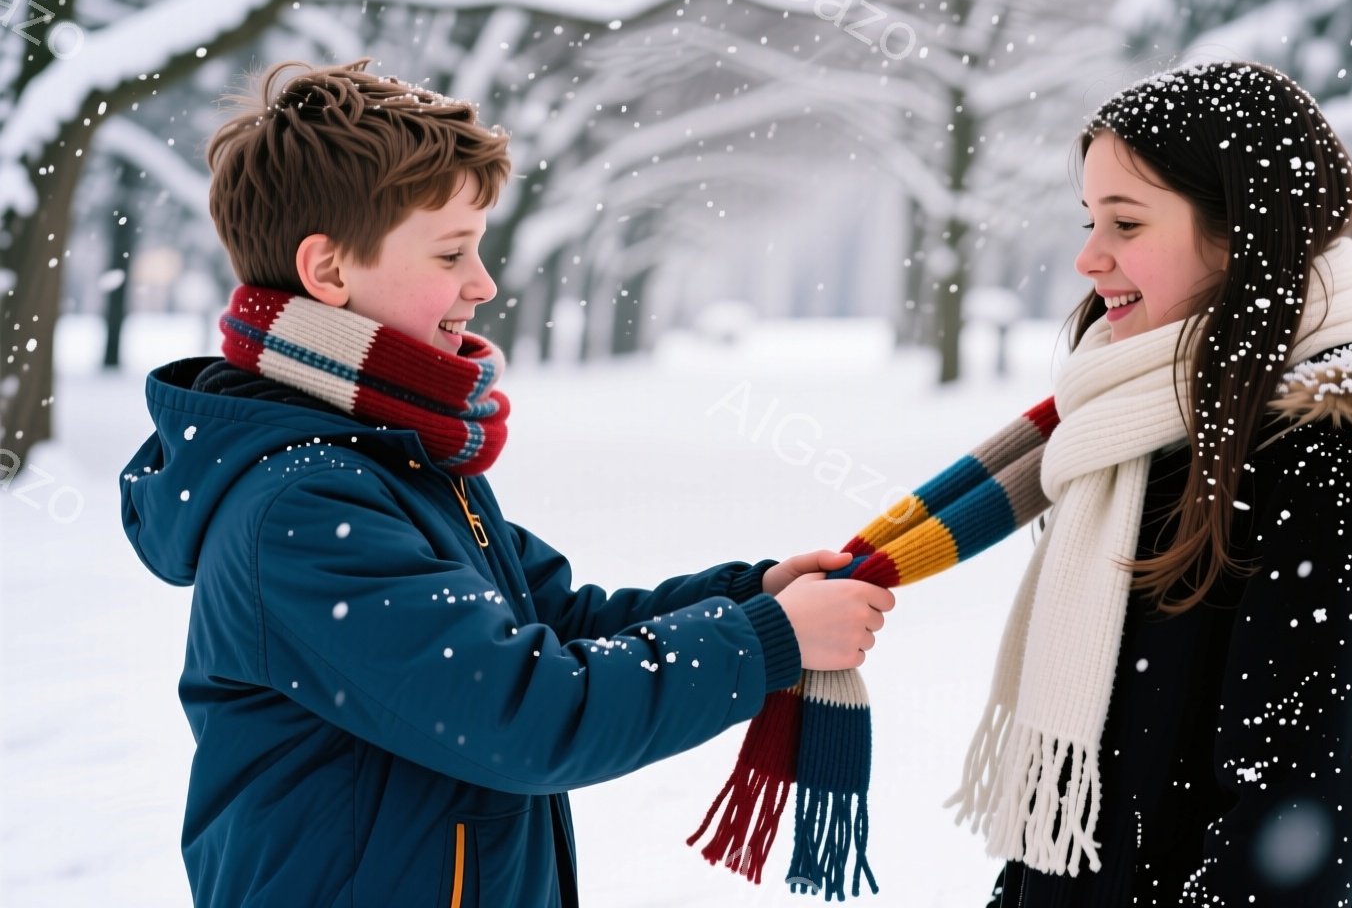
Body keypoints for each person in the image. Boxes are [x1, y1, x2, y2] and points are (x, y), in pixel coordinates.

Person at [116, 58, 894, 908]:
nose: (482, 284)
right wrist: (764, 641)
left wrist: (754, 597)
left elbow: (552, 620)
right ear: (329, 271)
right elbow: (527, 712)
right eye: (452, 252)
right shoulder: (302, 507)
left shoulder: (389, 461)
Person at [945, 60, 1352, 906]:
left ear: (1244, 232)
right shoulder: (1137, 431)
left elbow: (1295, 833)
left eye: (1125, 224)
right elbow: (1086, 791)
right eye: (1090, 219)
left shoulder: (1322, 469)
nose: (1087, 258)